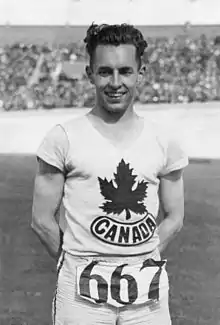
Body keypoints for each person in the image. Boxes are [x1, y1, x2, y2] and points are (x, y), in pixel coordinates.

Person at [31, 23, 188, 325]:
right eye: (105, 72)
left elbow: (175, 217)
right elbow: (41, 219)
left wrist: (143, 256)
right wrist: (73, 262)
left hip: (147, 293)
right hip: (82, 294)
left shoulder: (164, 141)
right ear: (90, 74)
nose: (115, 82)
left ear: (141, 73)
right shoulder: (63, 138)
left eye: (125, 71)